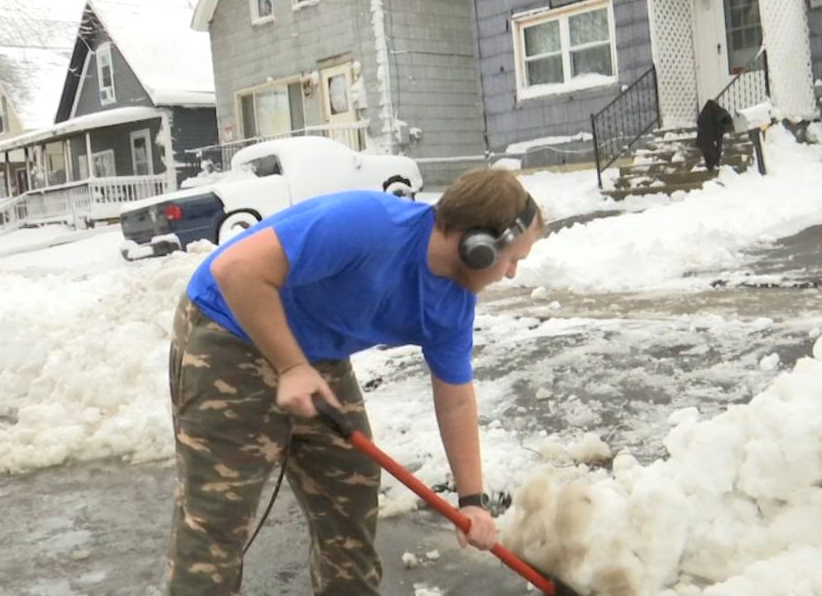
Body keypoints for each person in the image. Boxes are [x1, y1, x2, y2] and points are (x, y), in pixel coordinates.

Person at [166, 167, 544, 595]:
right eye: (514, 258)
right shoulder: (369, 224)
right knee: (218, 515)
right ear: (481, 246)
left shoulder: (453, 305)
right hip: (232, 327)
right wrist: (291, 367)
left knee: (350, 498)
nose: (511, 272)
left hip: (316, 354)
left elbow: (455, 398)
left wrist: (472, 503)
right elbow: (235, 269)